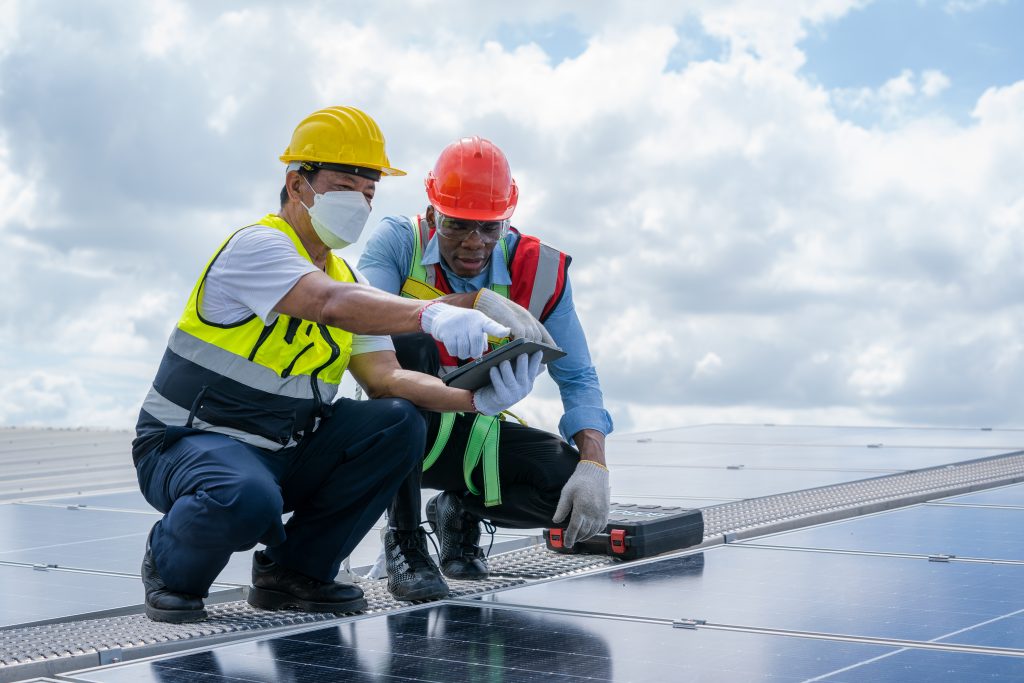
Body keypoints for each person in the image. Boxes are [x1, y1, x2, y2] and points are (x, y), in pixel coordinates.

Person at [132, 108, 545, 623]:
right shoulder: (257, 247)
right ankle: (169, 565)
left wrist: (475, 398)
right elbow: (326, 302)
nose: (360, 202)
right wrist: (435, 312)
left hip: (282, 449)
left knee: (396, 421)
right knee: (245, 497)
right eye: (345, 185)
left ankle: (295, 572)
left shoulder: (347, 276)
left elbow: (388, 378)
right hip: (189, 443)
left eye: (369, 192)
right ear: (297, 184)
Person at [358, 136, 613, 601]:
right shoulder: (398, 243)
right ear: (432, 213)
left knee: (561, 483)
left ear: (507, 219)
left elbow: (577, 376)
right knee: (411, 343)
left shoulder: (540, 271)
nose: (474, 244)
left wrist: (594, 462)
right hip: (393, 431)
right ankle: (406, 541)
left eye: (490, 229)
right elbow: (364, 314)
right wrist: (469, 302)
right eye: (457, 226)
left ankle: (459, 511)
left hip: (469, 436)